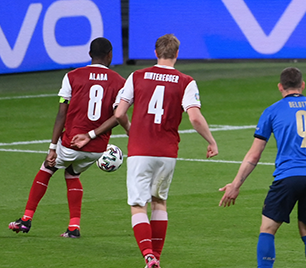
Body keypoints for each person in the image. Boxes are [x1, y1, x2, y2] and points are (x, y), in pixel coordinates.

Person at [75, 34, 218, 268]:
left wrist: (132, 130)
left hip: (140, 149)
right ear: (177, 54)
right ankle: (157, 257)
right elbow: (194, 117)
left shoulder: (137, 76)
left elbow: (119, 113)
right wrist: (211, 141)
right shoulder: (186, 81)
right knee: (159, 202)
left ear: (155, 53)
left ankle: (148, 255)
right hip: (167, 152)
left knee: (138, 205)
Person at [219, 67, 306, 268]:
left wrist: (236, 184)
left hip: (288, 176)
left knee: (268, 228)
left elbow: (254, 155)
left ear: (280, 87)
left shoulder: (272, 111)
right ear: (302, 85)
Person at [8, 38, 126, 238]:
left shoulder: (72, 76)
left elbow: (61, 114)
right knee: (72, 174)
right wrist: (93, 135)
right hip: (97, 148)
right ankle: (73, 227)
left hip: (71, 142)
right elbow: (118, 116)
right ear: (110, 55)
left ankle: (26, 220)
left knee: (47, 167)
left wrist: (52, 147)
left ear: (89, 55)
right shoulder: (120, 82)